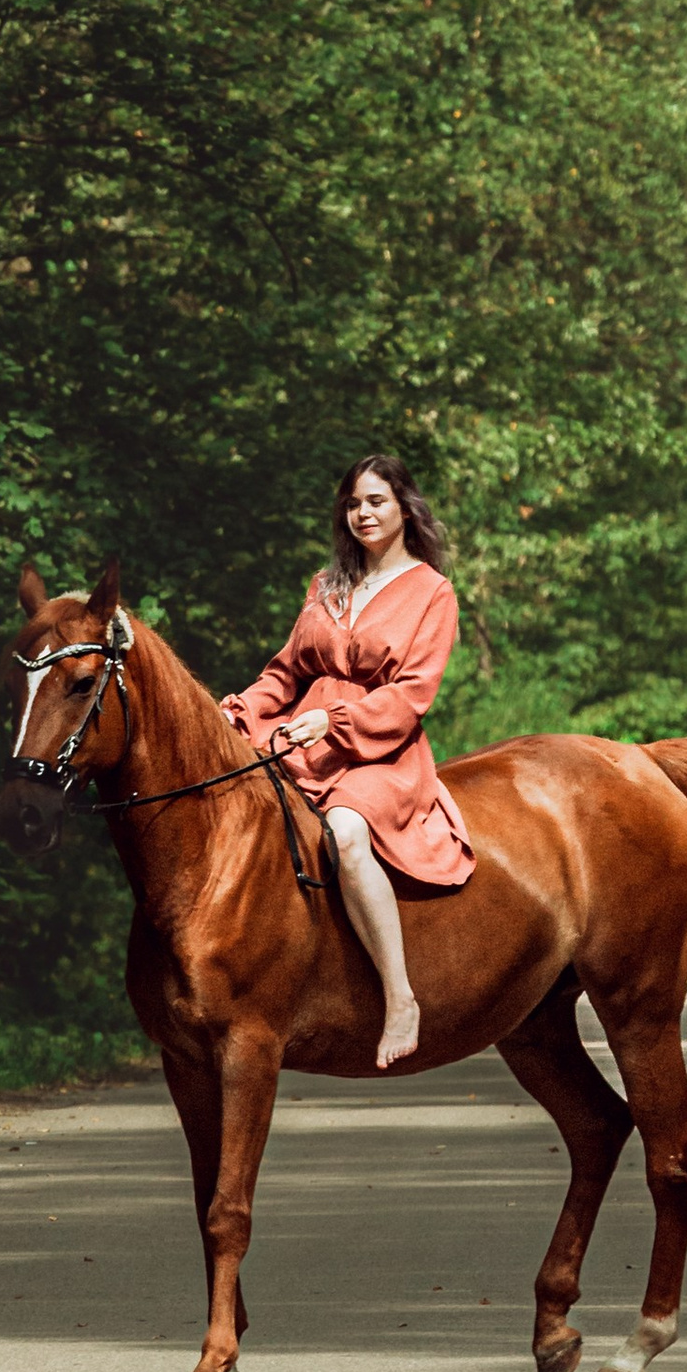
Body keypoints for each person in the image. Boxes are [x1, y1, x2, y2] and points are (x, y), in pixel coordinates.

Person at [222, 454, 475, 1067]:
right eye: (354, 503)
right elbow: (284, 673)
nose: (363, 513)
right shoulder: (326, 584)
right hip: (300, 739)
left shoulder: (432, 592)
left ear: (404, 509)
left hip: (379, 751)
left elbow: (413, 693)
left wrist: (335, 721)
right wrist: (233, 713)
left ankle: (399, 997)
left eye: (376, 501)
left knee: (345, 831)